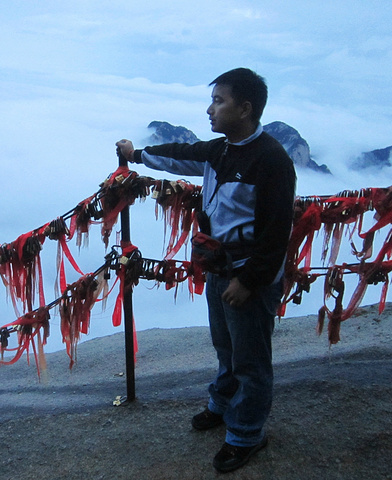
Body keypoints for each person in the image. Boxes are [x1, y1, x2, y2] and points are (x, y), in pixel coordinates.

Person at [116, 68, 296, 473]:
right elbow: (181, 155)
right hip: (218, 267)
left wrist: (248, 282)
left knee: (250, 357)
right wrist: (136, 154)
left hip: (248, 272)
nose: (210, 109)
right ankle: (224, 404)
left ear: (245, 108)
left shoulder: (270, 160)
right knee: (226, 345)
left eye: (219, 101)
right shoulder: (222, 150)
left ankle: (247, 433)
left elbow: (276, 233)